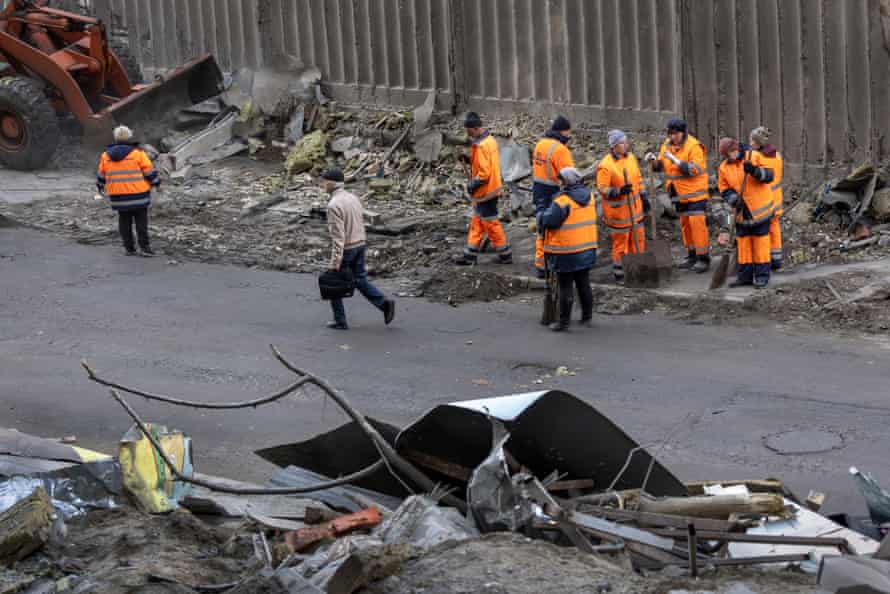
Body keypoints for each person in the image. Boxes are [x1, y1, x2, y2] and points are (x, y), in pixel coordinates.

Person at [322, 168, 395, 330]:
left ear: (330, 183)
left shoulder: (333, 205)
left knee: (334, 284)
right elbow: (359, 222)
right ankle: (384, 304)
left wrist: (335, 263)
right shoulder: (353, 197)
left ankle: (340, 321)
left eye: (324, 182)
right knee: (360, 279)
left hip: (346, 248)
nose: (322, 185)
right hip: (359, 244)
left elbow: (338, 238)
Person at [646, 119, 710, 273]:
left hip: (695, 194)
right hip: (678, 193)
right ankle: (692, 255)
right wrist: (653, 161)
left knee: (697, 225)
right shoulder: (667, 145)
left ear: (683, 133)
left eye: (675, 134)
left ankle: (703, 258)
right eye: (670, 134)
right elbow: (661, 165)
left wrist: (674, 159)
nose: (672, 137)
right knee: (686, 224)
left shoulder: (694, 147)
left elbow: (693, 169)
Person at [538, 167, 598, 332]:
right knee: (583, 284)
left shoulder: (562, 202)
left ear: (566, 182)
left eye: (561, 180)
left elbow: (550, 221)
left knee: (565, 286)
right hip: (586, 248)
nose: (559, 183)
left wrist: (541, 214)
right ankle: (587, 317)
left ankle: (563, 322)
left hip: (566, 251)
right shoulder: (590, 197)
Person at [453, 112, 512, 265]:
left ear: (474, 128)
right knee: (477, 223)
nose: (467, 134)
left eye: (468, 131)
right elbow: (484, 164)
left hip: (486, 192)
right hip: (492, 189)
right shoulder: (490, 141)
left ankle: (505, 255)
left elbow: (484, 173)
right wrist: (468, 160)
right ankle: (470, 255)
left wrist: (473, 184)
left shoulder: (480, 146)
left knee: (491, 224)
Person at [717, 137, 776, 288]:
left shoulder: (753, 156)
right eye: (729, 153)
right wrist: (733, 198)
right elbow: (723, 188)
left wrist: (755, 171)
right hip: (741, 213)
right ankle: (745, 277)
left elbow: (769, 176)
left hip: (760, 210)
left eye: (734, 151)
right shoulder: (724, 168)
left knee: (760, 244)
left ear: (737, 147)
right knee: (744, 246)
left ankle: (762, 276)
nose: (733, 154)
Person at [97, 125, 160, 256]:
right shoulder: (138, 154)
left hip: (118, 196)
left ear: (115, 137)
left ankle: (129, 248)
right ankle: (145, 248)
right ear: (129, 136)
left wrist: (100, 186)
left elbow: (101, 175)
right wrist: (157, 184)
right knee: (141, 222)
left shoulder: (105, 155)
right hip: (139, 194)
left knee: (124, 221)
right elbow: (149, 172)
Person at [597, 129, 650, 283]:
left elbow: (638, 179)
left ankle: (636, 268)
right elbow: (602, 188)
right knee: (621, 244)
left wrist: (644, 196)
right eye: (622, 142)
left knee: (638, 240)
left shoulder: (631, 158)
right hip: (619, 214)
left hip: (635, 210)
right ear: (614, 146)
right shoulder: (605, 165)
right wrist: (617, 191)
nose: (626, 145)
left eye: (627, 141)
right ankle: (620, 273)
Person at [531, 116, 575, 278]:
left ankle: (541, 265)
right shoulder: (560, 150)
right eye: (568, 133)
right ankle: (554, 263)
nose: (569, 136)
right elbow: (570, 176)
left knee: (542, 228)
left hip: (538, 191)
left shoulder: (540, 144)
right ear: (562, 131)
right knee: (556, 229)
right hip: (553, 193)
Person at [748, 126, 784, 270]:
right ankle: (776, 259)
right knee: (774, 228)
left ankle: (763, 259)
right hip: (776, 199)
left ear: (757, 142)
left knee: (762, 232)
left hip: (763, 201)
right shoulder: (777, 155)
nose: (750, 143)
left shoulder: (757, 157)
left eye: (751, 140)